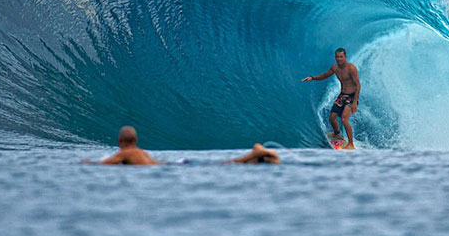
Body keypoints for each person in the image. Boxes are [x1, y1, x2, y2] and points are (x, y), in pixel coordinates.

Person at [84, 126, 281, 165]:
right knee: (227, 164)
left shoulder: (125, 154)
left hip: (177, 166)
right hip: (175, 164)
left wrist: (88, 162)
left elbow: (106, 163)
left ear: (121, 142)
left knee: (226, 164)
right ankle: (258, 158)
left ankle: (255, 153)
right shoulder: (139, 151)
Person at [301, 47, 360, 150]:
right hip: (342, 95)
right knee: (332, 118)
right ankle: (337, 134)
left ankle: (351, 144)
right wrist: (313, 77)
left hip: (351, 96)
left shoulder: (351, 68)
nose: (339, 59)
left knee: (344, 119)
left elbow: (358, 85)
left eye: (341, 57)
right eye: (337, 57)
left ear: (345, 57)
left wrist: (354, 102)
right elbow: (324, 75)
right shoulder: (335, 68)